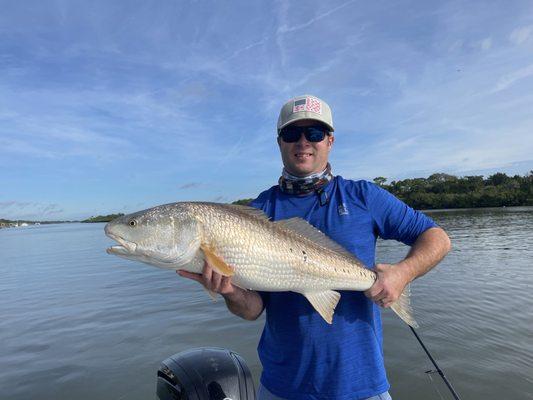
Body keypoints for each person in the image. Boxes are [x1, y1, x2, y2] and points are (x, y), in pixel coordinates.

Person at [178, 95, 451, 400]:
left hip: (362, 387)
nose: (303, 142)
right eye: (292, 134)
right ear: (280, 142)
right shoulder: (255, 213)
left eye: (315, 133)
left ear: (330, 141)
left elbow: (437, 237)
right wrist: (229, 291)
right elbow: (252, 310)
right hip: (282, 387)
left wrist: (403, 273)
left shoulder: (363, 196)